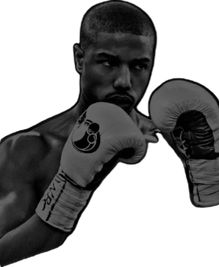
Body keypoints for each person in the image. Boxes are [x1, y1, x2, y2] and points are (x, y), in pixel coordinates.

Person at [0, 0, 158, 265]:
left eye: (139, 66)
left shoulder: (177, 131)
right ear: (80, 59)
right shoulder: (29, 151)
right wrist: (73, 187)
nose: (124, 81)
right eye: (108, 63)